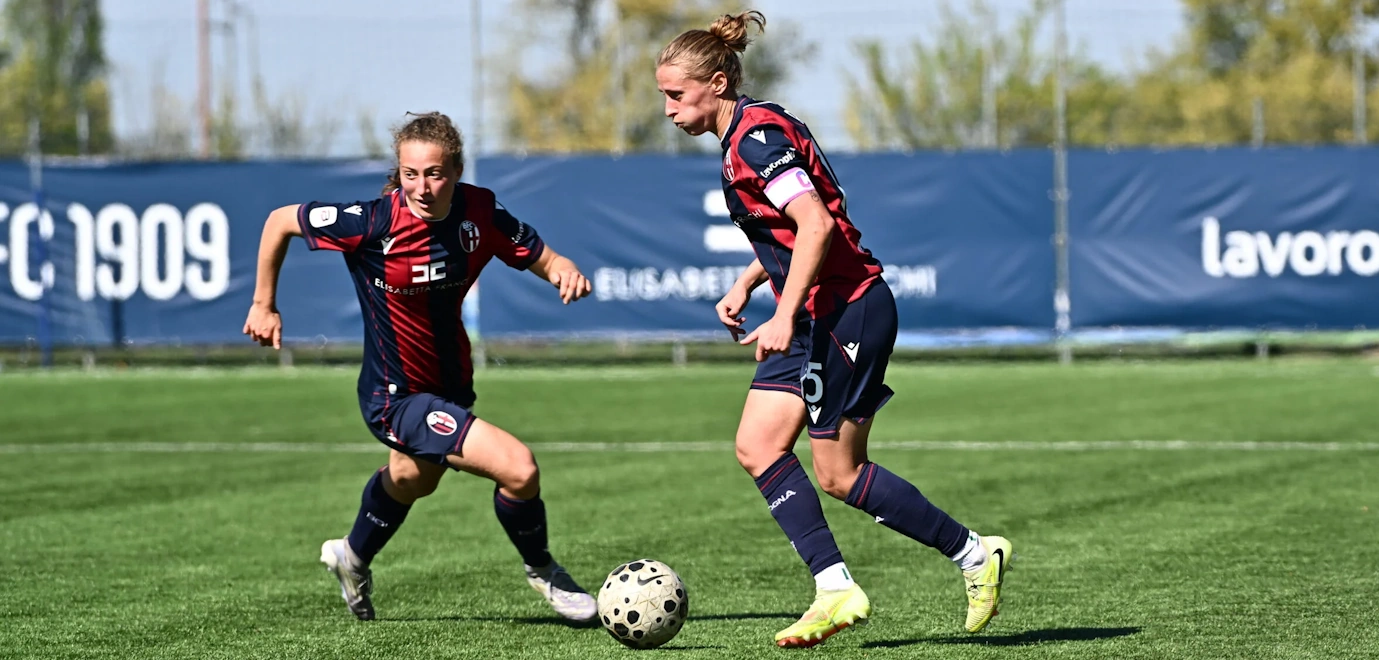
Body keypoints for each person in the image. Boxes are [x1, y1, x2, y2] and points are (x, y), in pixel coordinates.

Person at [655, 11, 1014, 649]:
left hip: (848, 308)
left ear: (715, 82)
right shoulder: (750, 129)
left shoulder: (756, 140)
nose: (667, 109)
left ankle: (972, 553)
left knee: (839, 473)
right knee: (758, 446)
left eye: (675, 95)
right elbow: (791, 232)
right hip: (813, 311)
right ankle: (835, 587)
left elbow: (818, 226)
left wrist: (784, 312)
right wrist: (749, 282)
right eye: (663, 96)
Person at [242, 112, 597, 623]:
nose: (422, 187)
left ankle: (352, 554)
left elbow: (533, 249)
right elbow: (280, 220)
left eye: (433, 174)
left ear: (455, 171)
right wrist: (263, 303)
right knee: (519, 468)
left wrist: (560, 267)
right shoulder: (372, 222)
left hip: (450, 384)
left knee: (412, 478)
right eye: (410, 173)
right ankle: (545, 571)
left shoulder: (479, 210)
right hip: (396, 396)